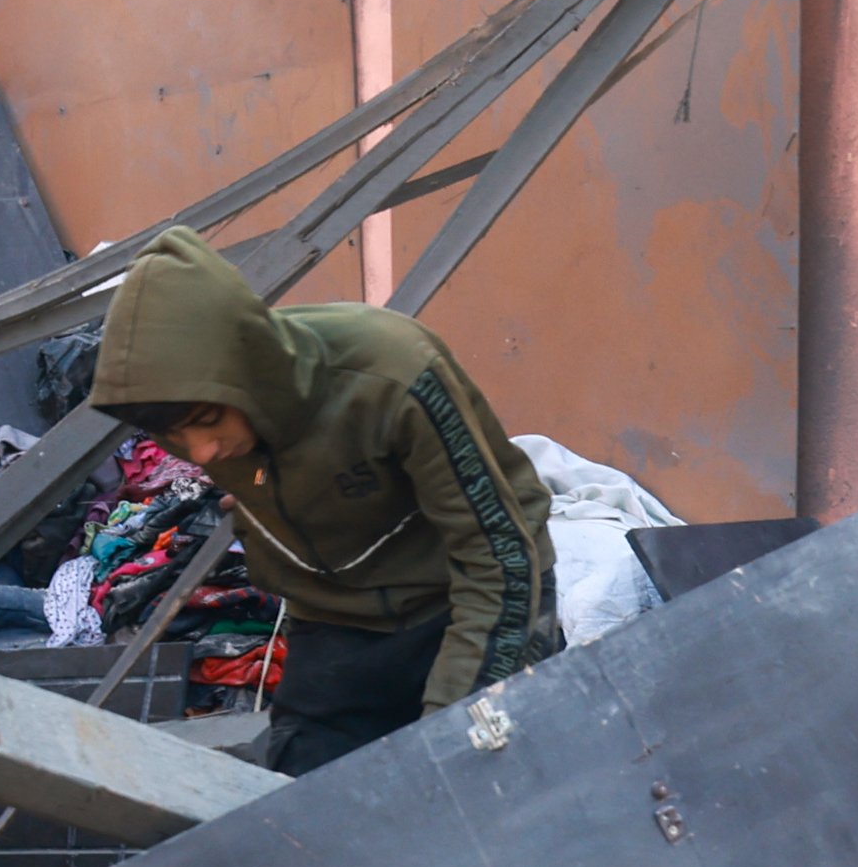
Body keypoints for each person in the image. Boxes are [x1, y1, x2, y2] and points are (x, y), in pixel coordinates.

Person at [82, 226, 562, 775]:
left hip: (467, 598)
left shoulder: (392, 373)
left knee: (476, 774)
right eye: (178, 436)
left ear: (250, 369)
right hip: (340, 618)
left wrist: (454, 730)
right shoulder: (202, 411)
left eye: (208, 422)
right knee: (306, 802)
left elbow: (500, 553)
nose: (203, 451)